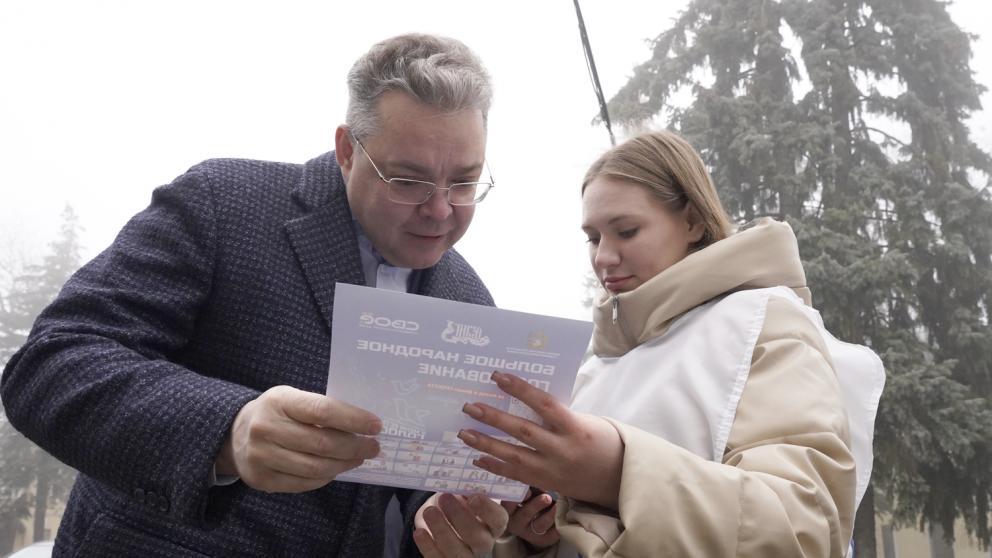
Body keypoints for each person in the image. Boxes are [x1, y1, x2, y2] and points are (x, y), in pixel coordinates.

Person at [1, 33, 509, 557]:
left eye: (466, 183)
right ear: (346, 151)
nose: (441, 210)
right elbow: (50, 364)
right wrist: (228, 431)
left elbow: (414, 485)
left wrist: (434, 520)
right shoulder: (225, 203)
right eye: (407, 180)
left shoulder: (469, 301)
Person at [456, 130, 885, 557]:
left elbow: (803, 530)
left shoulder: (765, 321)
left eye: (626, 231)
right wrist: (535, 536)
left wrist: (618, 473)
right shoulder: (592, 367)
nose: (603, 256)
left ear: (693, 221)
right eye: (593, 237)